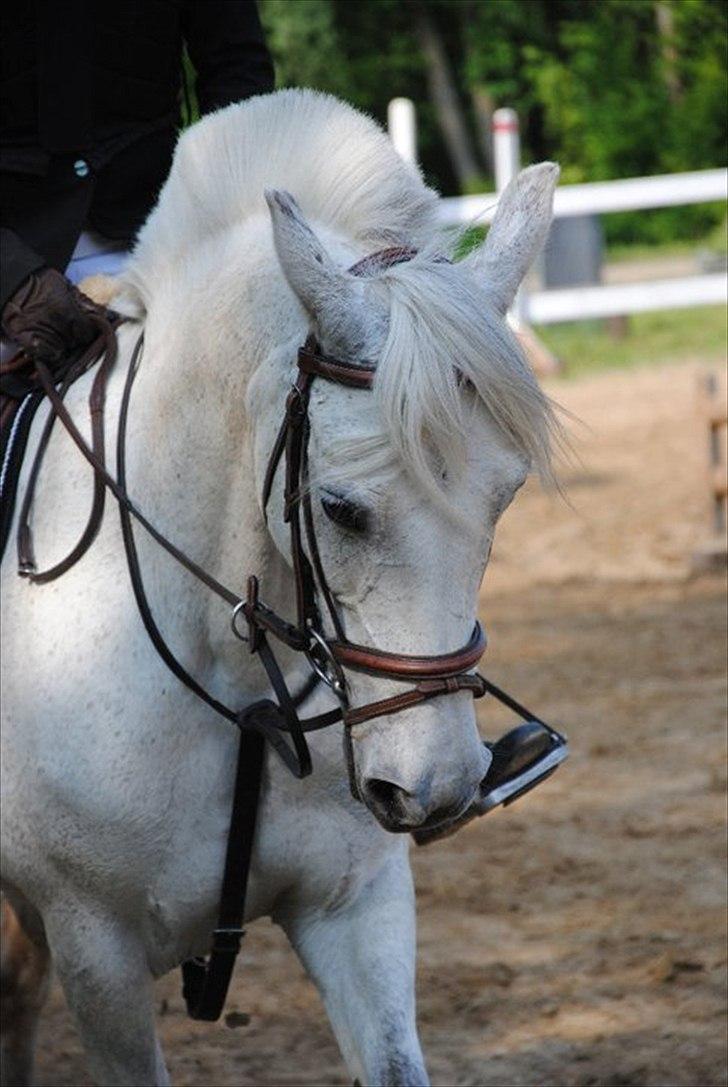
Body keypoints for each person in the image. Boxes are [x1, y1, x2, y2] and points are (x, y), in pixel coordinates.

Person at [0, 0, 274, 364]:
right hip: (14, 241)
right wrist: (12, 277)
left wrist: (225, 233)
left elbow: (237, 71)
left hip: (156, 233)